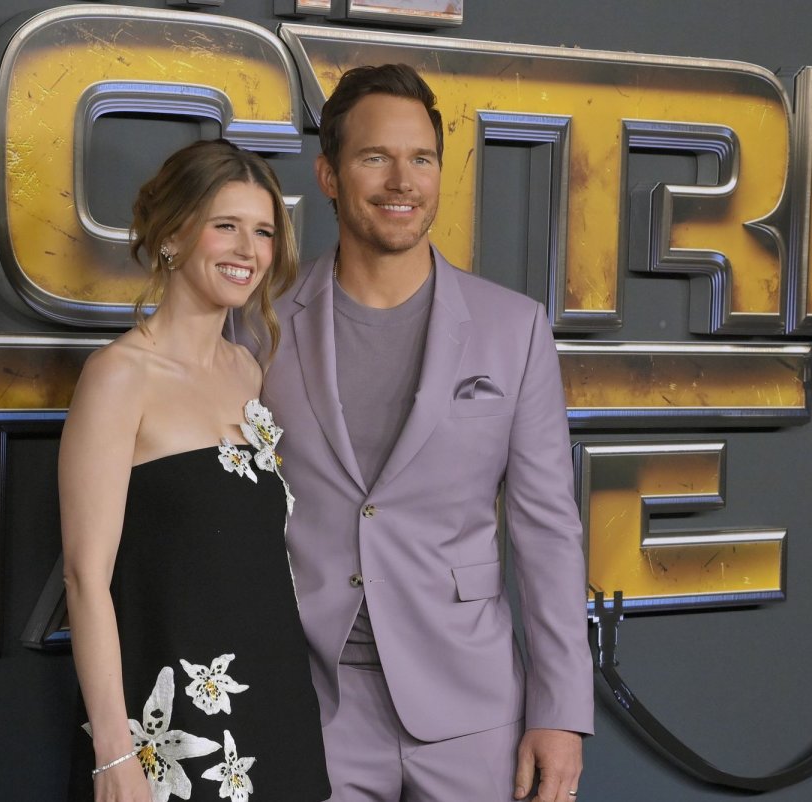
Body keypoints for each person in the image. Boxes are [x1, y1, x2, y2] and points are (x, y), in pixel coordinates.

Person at [253, 64, 595, 802]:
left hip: (473, 710)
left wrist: (561, 710)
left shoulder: (515, 329)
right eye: (376, 157)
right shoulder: (262, 324)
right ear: (330, 175)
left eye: (422, 159)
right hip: (311, 703)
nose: (402, 181)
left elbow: (547, 531)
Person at [60, 139, 330, 802]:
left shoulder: (247, 370)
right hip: (169, 728)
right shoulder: (118, 377)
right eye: (226, 226)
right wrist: (112, 752)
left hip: (275, 709)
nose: (249, 251)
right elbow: (85, 578)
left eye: (263, 231)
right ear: (174, 236)